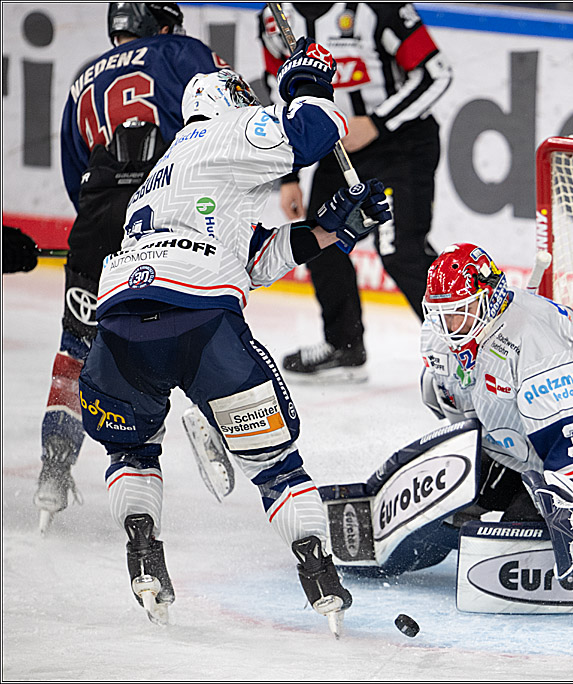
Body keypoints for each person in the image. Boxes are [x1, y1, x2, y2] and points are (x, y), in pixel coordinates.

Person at [77, 39, 392, 630]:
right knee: (277, 468)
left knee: (132, 449)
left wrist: (333, 227)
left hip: (119, 329)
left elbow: (255, 260)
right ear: (226, 100)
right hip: (201, 327)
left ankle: (143, 551)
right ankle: (317, 570)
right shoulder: (222, 132)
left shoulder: (169, 174)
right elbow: (314, 129)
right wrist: (307, 80)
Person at [36, 2, 228, 532]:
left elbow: (77, 180)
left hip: (96, 223)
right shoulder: (183, 52)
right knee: (196, 326)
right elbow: (231, 124)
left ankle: (53, 472)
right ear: (160, 23)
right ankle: (212, 415)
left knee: (76, 348)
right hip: (164, 209)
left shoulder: (81, 82)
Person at [418, 243, 573, 578]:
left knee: (511, 546)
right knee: (449, 487)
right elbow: (454, 401)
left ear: (489, 298)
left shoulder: (534, 342)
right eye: (441, 311)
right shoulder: (445, 335)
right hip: (530, 443)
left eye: (460, 310)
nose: (448, 323)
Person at [257, 2, 452, 381]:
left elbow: (436, 74)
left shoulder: (378, 8)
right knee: (319, 239)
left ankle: (464, 348)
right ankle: (345, 345)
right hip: (341, 147)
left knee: (399, 252)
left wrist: (378, 122)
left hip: (401, 143)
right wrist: (290, 175)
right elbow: (279, 89)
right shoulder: (273, 15)